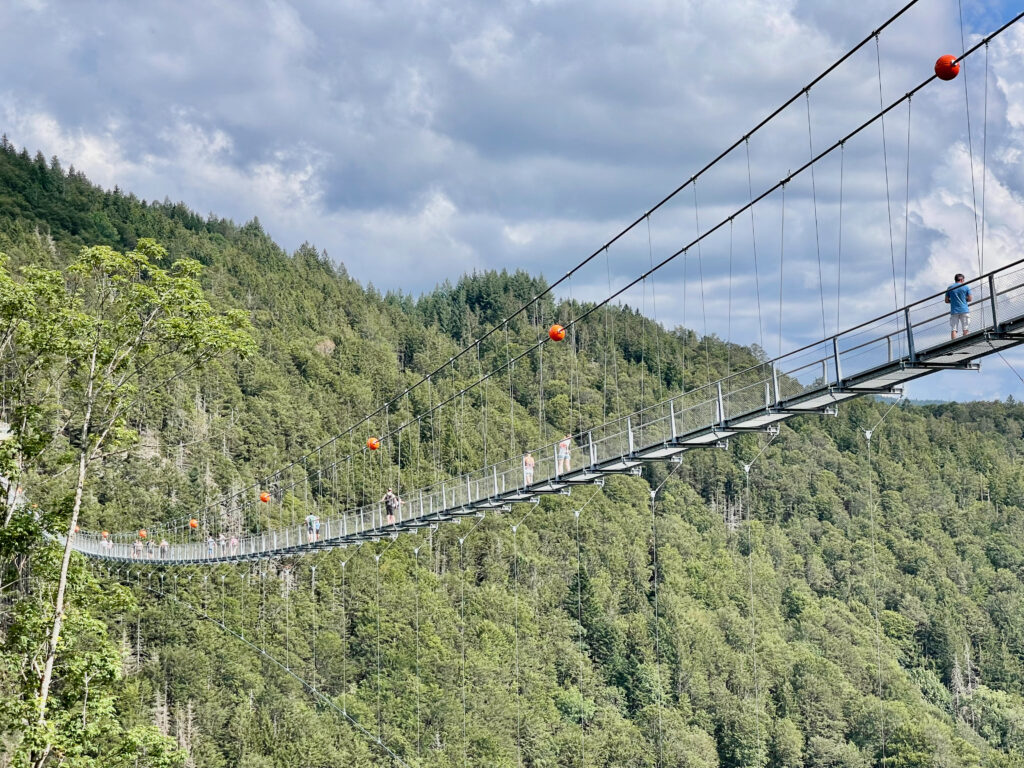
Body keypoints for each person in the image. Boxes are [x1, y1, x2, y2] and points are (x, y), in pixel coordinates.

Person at [945, 273, 973, 340]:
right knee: (965, 328)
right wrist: (964, 299)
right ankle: (966, 342)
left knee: (954, 329)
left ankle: (954, 342)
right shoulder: (966, 287)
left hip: (954, 310)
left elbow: (946, 300)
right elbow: (970, 299)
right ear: (961, 279)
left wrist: (953, 301)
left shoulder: (950, 288)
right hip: (964, 310)